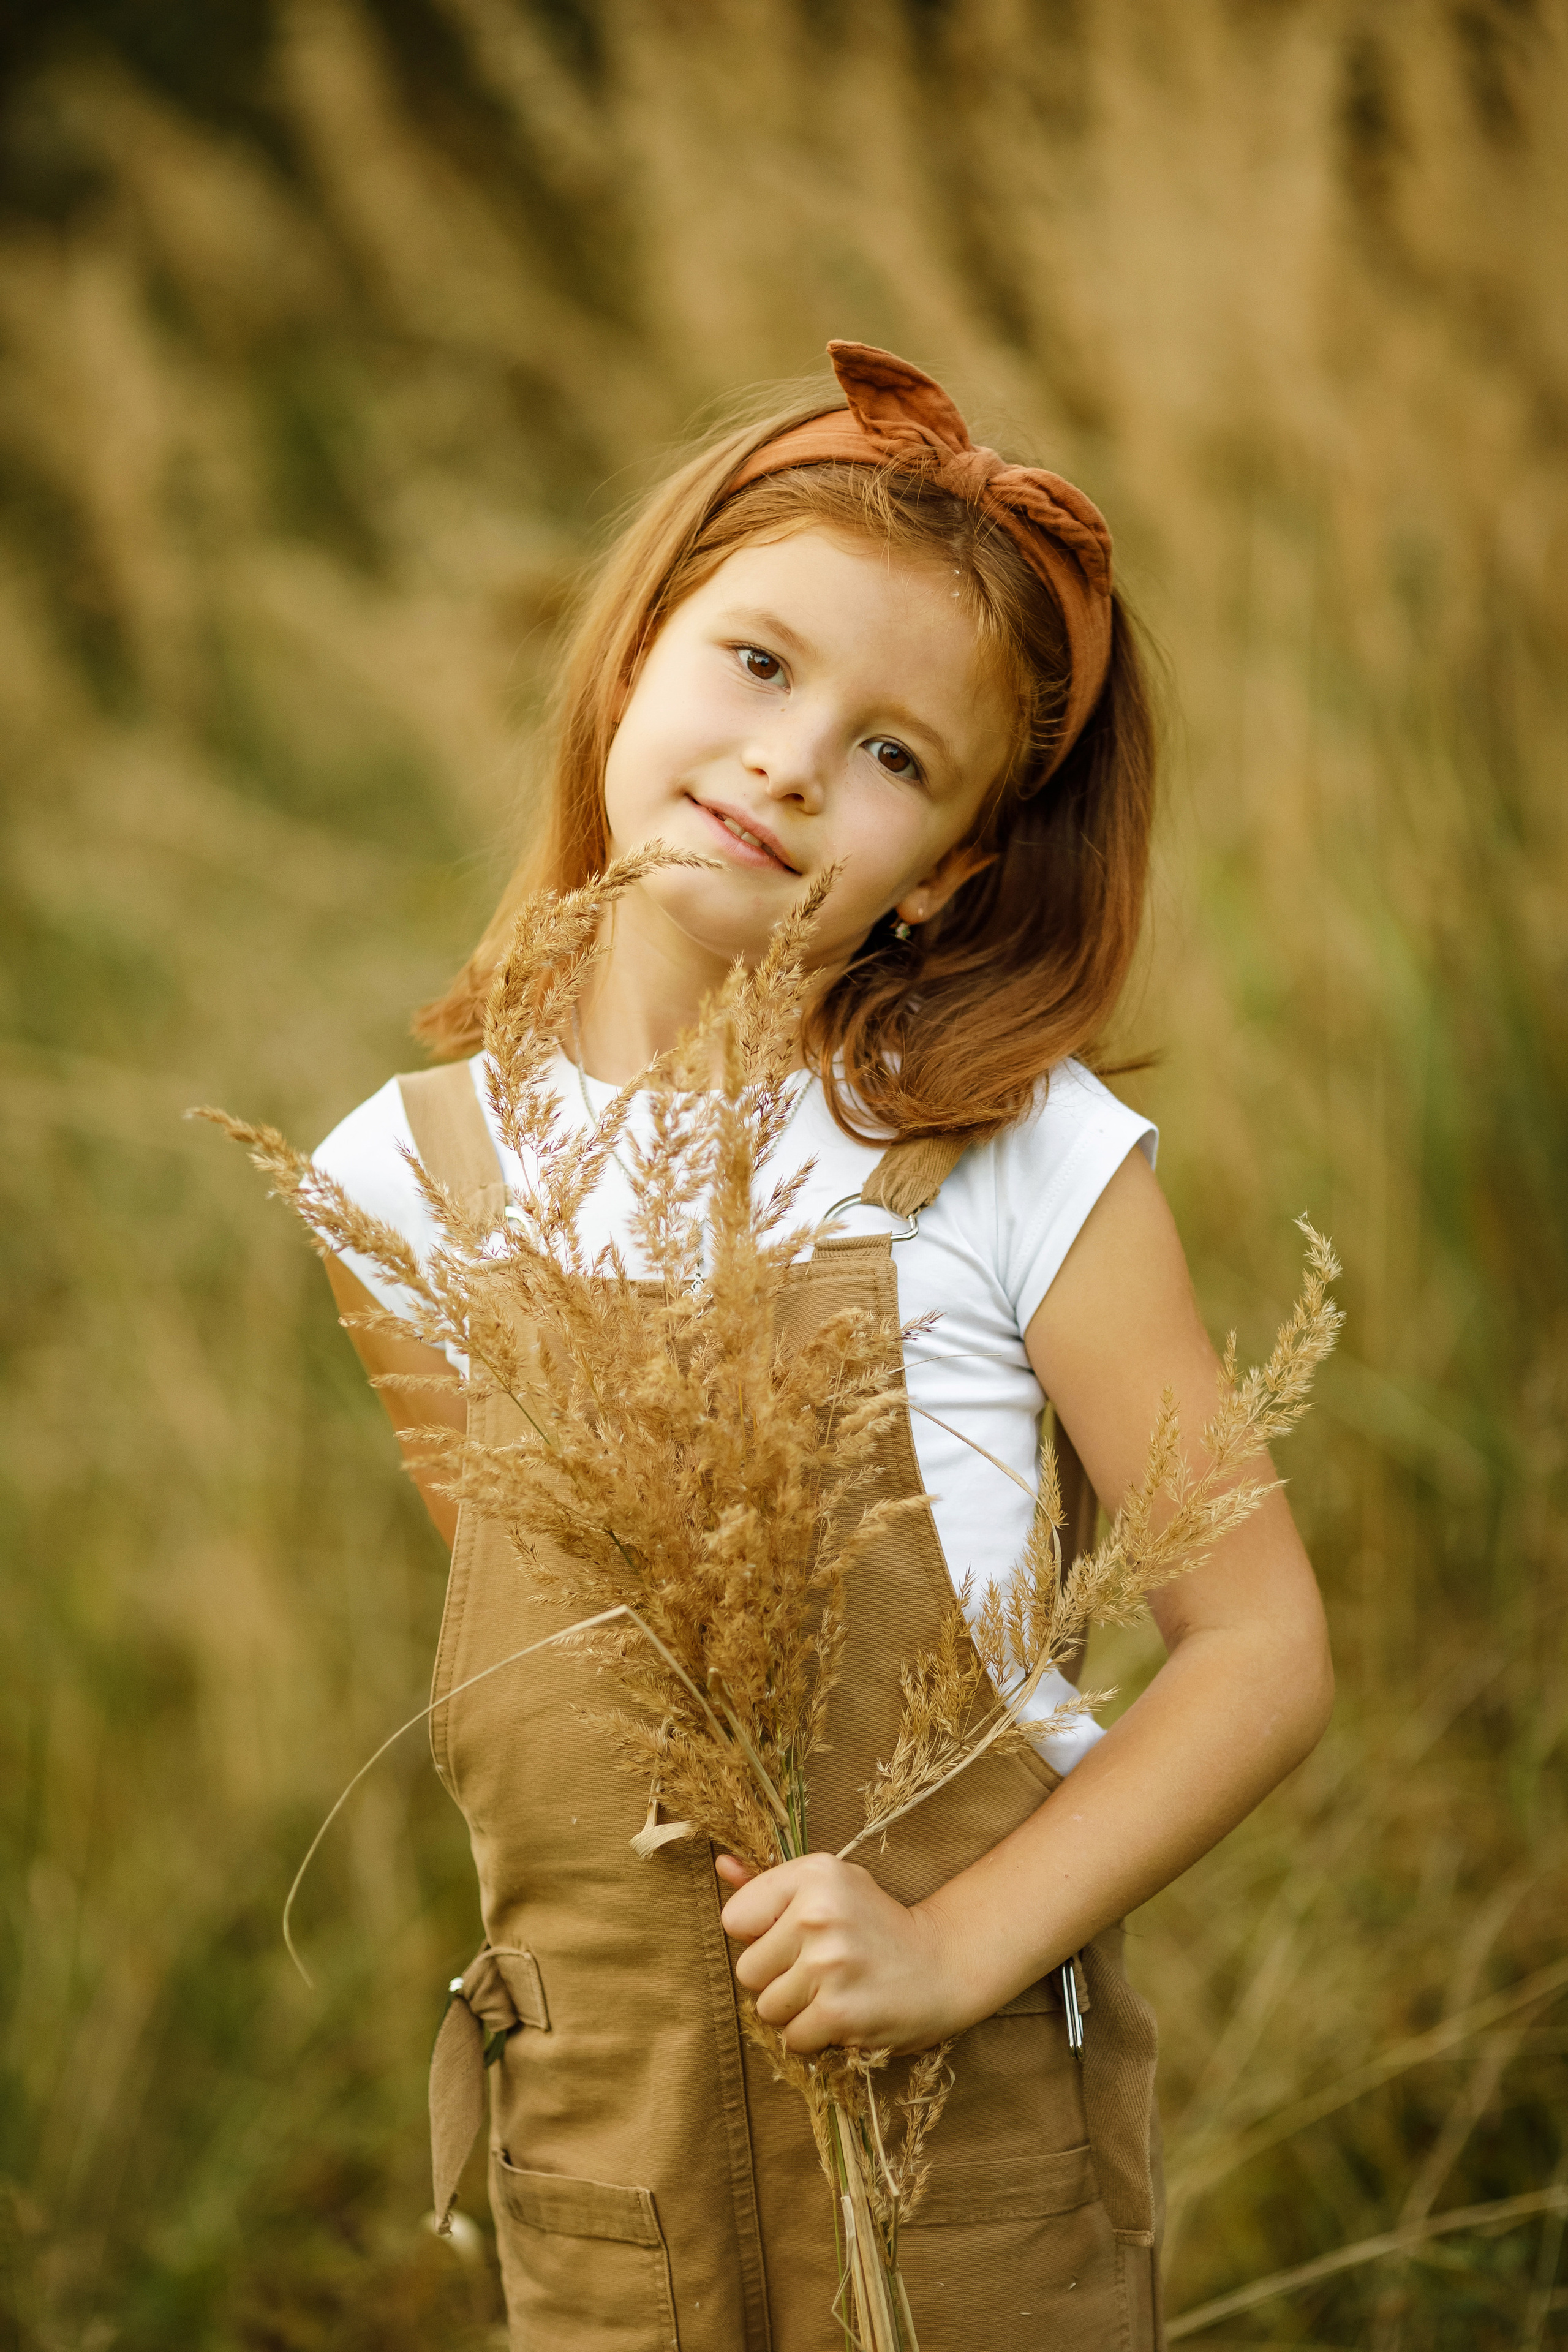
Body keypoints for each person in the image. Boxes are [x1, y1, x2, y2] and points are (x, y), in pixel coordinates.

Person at [314, 341, 1333, 2351]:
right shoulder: (407, 1177)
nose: (794, 763)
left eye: (897, 755)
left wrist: (952, 1953)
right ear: (631, 663)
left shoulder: (1010, 1152)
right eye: (759, 666)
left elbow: (1262, 1645)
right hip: (615, 2186)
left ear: (955, 865)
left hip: (967, 2174)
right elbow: (545, 1673)